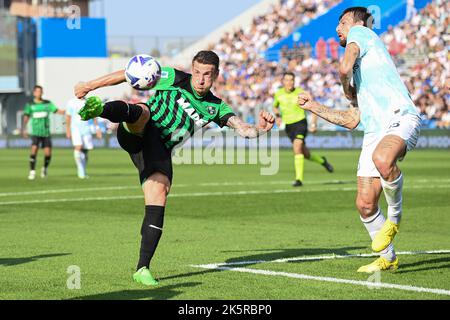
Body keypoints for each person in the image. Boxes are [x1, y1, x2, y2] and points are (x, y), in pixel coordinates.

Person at [74, 50, 275, 286]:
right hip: (138, 130)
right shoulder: (173, 77)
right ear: (192, 68)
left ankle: (142, 268)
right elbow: (129, 74)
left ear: (216, 75)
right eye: (197, 72)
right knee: (144, 112)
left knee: (159, 195)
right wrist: (89, 85)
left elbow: (243, 129)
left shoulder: (216, 107)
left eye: (207, 75)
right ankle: (100, 110)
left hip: (158, 152)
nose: (200, 79)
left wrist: (261, 129)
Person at [298, 7, 421, 273]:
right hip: (375, 130)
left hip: (401, 116)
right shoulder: (364, 72)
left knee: (382, 158)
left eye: (341, 23)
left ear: (355, 23)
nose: (337, 29)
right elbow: (352, 120)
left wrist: (346, 88)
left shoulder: (361, 32)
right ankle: (388, 258)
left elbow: (343, 68)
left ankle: (394, 220)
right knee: (365, 204)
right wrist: (314, 106)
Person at [273, 72, 333, 187]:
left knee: (296, 147)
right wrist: (278, 116)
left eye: (291, 80)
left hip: (300, 123)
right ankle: (322, 161)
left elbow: (313, 107)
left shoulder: (301, 93)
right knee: (304, 153)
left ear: (294, 81)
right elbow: (275, 107)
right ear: (283, 81)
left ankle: (298, 179)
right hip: (289, 127)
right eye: (287, 80)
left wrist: (313, 124)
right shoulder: (278, 94)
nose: (289, 82)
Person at [22, 85, 65, 180]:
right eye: (37, 91)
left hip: (46, 133)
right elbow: (26, 117)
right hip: (35, 133)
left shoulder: (47, 103)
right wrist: (23, 129)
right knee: (34, 150)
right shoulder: (30, 104)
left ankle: (44, 168)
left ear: (42, 93)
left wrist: (68, 111)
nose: (39, 93)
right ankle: (32, 171)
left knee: (48, 154)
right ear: (34, 93)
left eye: (40, 91)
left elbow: (58, 111)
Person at [65, 98, 103, 179]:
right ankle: (80, 170)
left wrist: (97, 129)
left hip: (86, 129)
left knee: (85, 150)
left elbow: (94, 116)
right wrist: (68, 129)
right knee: (78, 147)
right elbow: (68, 117)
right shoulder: (71, 102)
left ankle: (83, 170)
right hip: (75, 128)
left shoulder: (88, 102)